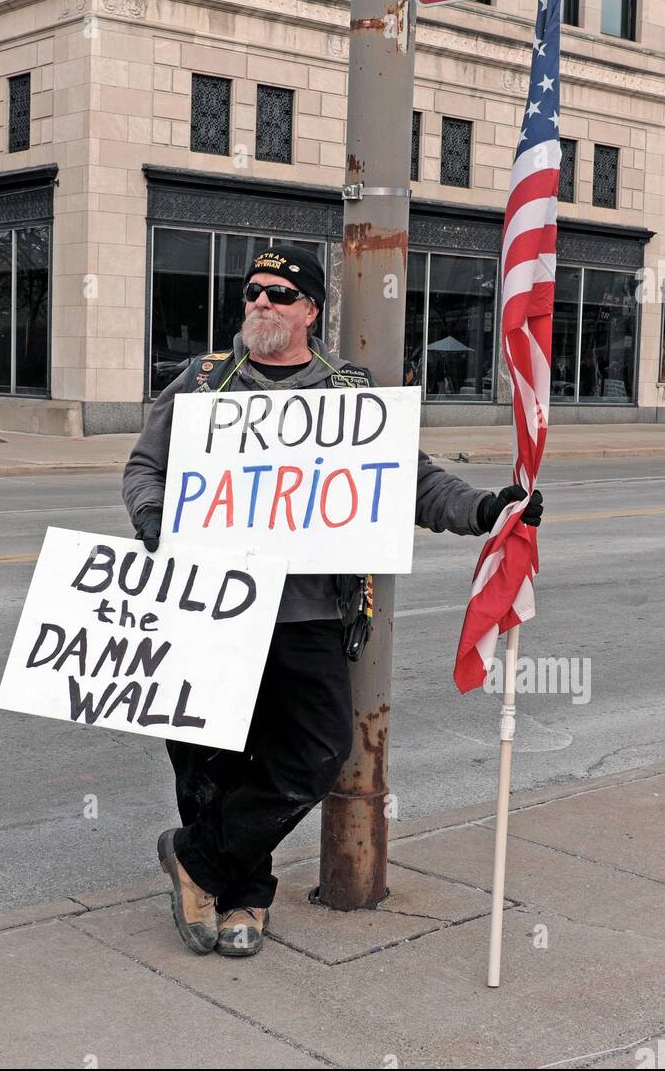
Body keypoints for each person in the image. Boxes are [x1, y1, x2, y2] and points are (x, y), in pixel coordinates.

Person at [122, 243, 543, 959]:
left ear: (310, 311)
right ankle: (242, 900)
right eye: (252, 291)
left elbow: (413, 483)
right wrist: (156, 519)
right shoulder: (200, 382)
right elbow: (144, 468)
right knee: (206, 760)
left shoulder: (350, 393)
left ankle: (195, 861)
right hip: (204, 605)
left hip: (307, 612)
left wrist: (485, 511)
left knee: (314, 754)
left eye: (279, 294)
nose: (260, 302)